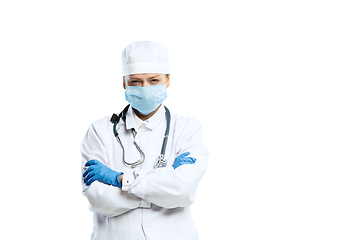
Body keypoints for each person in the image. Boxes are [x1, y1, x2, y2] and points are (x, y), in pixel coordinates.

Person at [80, 41, 209, 240]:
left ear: (168, 80)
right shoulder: (99, 131)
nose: (145, 88)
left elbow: (182, 190)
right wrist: (162, 188)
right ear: (124, 83)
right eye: (136, 81)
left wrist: (120, 179)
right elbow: (99, 199)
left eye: (154, 80)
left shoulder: (187, 129)